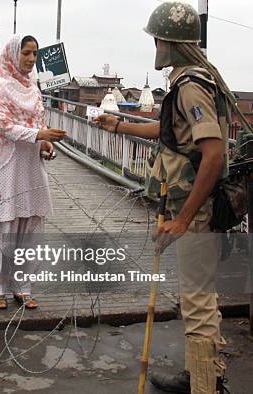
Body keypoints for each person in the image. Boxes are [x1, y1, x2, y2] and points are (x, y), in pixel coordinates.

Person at [93, 2, 245, 392]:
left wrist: (183, 219)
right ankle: (201, 374)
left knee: (197, 302)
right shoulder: (193, 78)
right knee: (198, 297)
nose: (155, 45)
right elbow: (173, 136)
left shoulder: (191, 85)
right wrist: (120, 124)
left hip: (193, 212)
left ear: (171, 42)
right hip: (188, 206)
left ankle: (206, 385)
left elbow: (212, 153)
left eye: (158, 38)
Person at [0, 35, 66, 310]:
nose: (30, 59)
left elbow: (39, 123)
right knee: (3, 226)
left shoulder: (34, 88)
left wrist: (45, 144)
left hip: (30, 164)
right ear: (13, 54)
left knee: (29, 226)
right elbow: (4, 125)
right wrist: (39, 133)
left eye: (34, 54)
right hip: (5, 163)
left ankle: (22, 285)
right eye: (26, 53)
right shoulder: (0, 85)